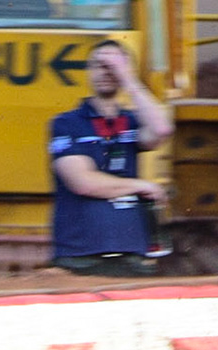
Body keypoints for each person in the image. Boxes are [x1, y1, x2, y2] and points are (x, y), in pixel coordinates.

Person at [48, 39, 172, 276]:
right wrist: (140, 186)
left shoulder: (131, 122)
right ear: (88, 72)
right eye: (98, 65)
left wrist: (128, 79)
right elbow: (82, 182)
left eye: (112, 66)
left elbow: (162, 130)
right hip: (81, 257)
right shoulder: (66, 123)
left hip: (132, 254)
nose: (105, 71)